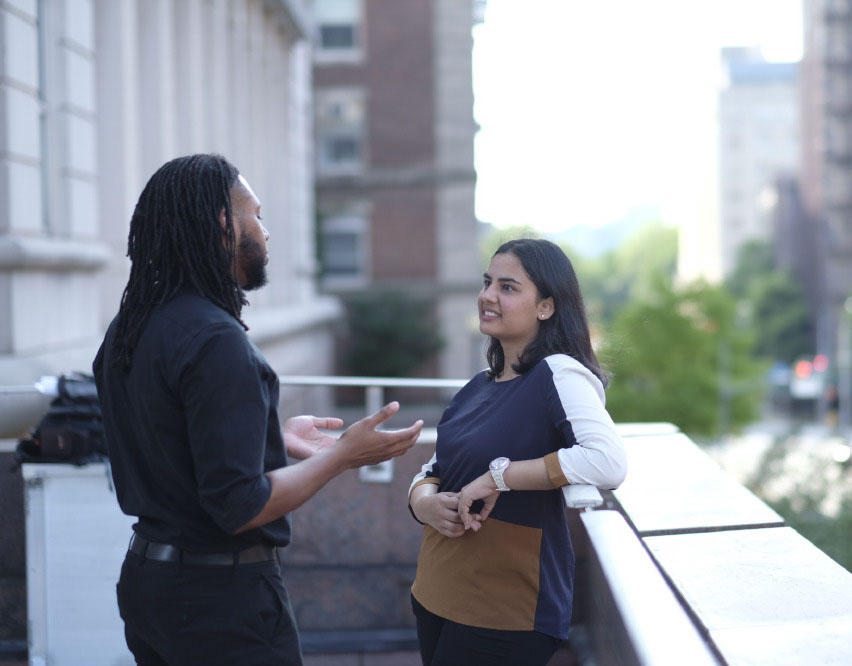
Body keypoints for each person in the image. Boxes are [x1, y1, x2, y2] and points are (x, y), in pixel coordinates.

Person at [92, 153, 423, 666]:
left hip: (149, 586)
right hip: (219, 602)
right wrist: (342, 457)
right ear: (226, 223)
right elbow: (240, 505)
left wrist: (269, 433)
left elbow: (172, 439)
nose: (266, 233)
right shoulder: (216, 341)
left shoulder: (127, 330)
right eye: (258, 215)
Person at [406, 238, 627, 666]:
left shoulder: (559, 373)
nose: (488, 295)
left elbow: (607, 461)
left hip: (505, 608)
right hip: (436, 588)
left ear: (546, 306)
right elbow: (436, 465)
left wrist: (498, 477)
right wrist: (423, 502)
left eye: (508, 287)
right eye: (488, 283)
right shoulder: (477, 386)